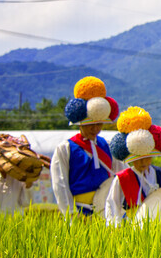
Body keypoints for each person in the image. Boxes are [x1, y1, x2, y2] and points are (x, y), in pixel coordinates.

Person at [104, 106, 161, 225]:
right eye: (138, 159)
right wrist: (114, 227)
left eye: (147, 158)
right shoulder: (122, 179)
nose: (143, 162)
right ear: (131, 159)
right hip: (133, 229)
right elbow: (112, 206)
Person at [51, 76, 122, 217]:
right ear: (80, 123)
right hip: (80, 212)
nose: (95, 128)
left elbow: (120, 176)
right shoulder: (65, 148)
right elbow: (60, 184)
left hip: (107, 212)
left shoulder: (107, 146)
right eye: (90, 124)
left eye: (99, 124)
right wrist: (71, 214)